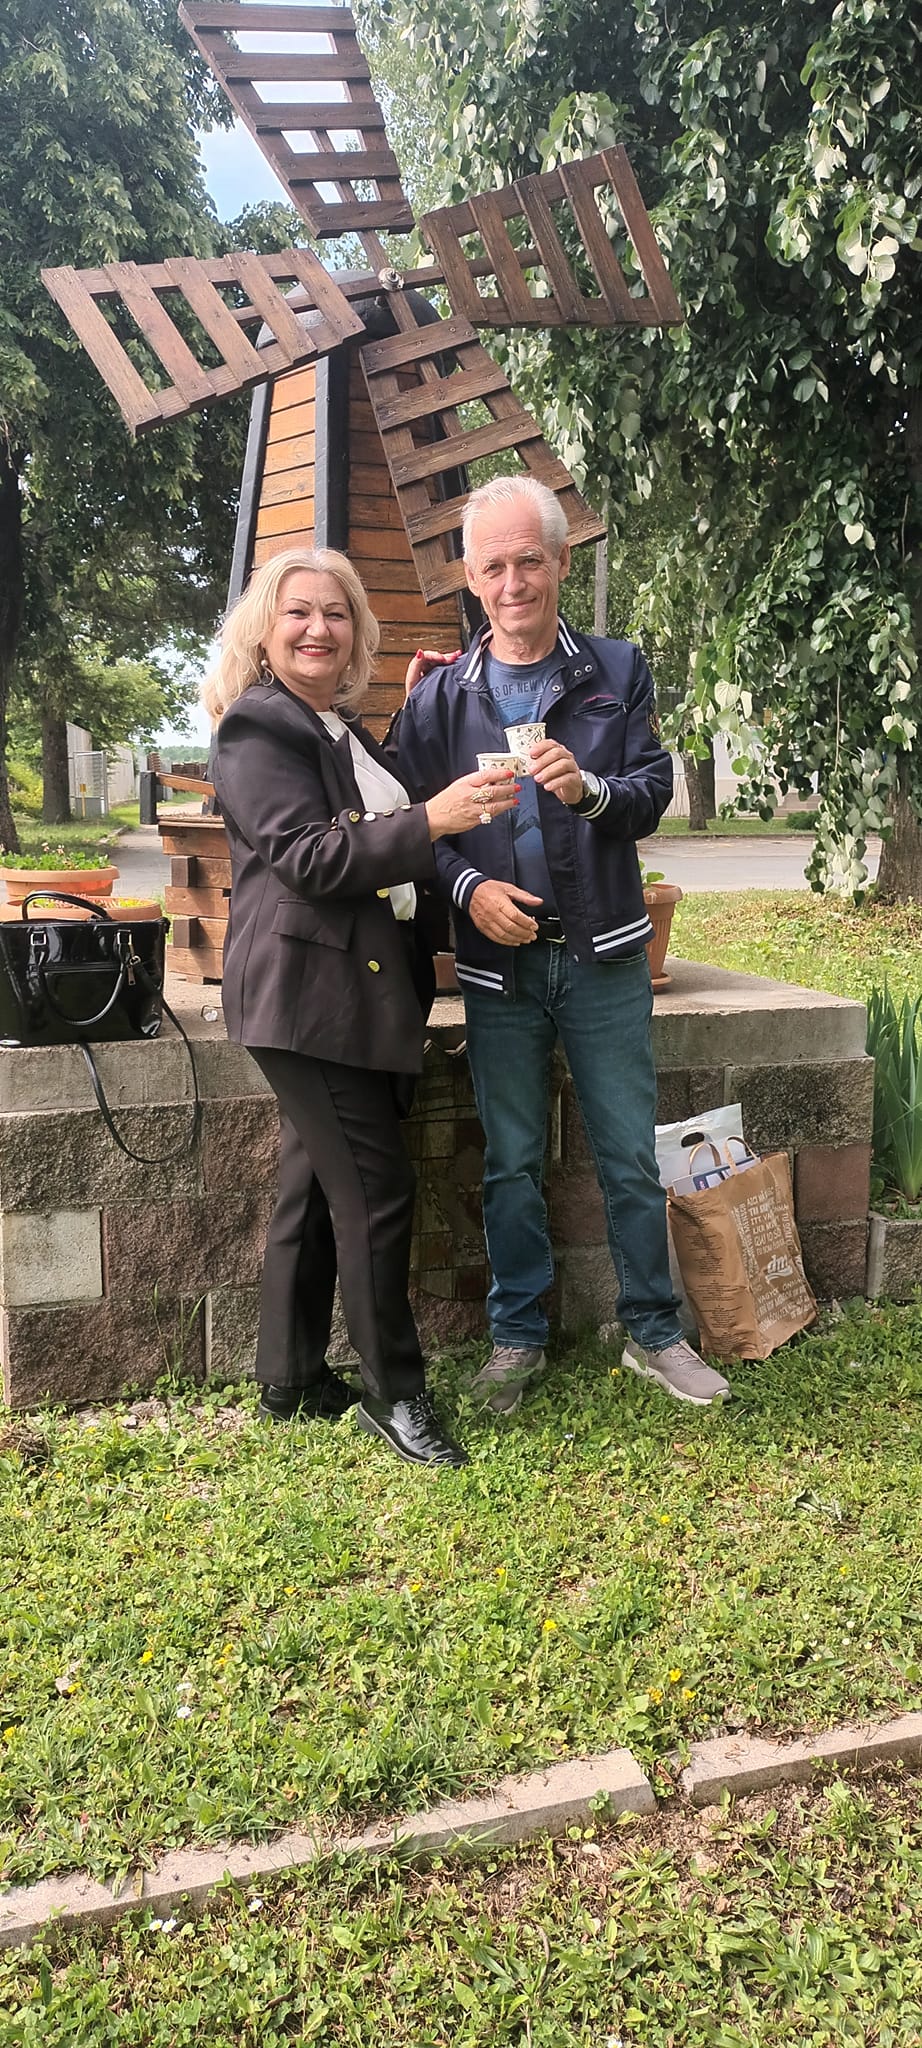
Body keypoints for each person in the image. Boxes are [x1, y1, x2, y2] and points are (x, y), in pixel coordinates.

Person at [395, 476, 731, 1415]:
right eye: (493, 567)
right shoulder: (440, 696)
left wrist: (588, 791)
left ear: (562, 563)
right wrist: (469, 890)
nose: (512, 584)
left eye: (528, 562)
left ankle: (654, 1333)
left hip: (604, 954)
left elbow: (651, 793)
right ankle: (517, 1338)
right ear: (470, 577)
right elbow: (408, 825)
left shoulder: (616, 671)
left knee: (626, 1153)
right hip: (497, 963)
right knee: (509, 1160)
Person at [202, 546, 517, 1467]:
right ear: (265, 629)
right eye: (299, 612)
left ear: (356, 634)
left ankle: (291, 1377)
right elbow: (311, 857)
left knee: (312, 1183)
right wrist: (437, 819)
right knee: (376, 1192)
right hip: (309, 1001)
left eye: (337, 614)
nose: (319, 628)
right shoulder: (257, 728)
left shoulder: (336, 728)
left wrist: (413, 720)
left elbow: (372, 806)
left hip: (343, 995)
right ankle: (396, 1395)